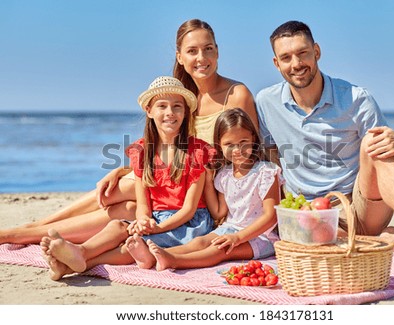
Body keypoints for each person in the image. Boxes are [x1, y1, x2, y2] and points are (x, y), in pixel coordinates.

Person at [0, 19, 257, 245]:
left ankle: (28, 232)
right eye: (192, 51)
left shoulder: (236, 94)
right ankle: (36, 229)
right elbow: (167, 149)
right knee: (128, 205)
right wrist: (123, 168)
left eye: (208, 49)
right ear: (180, 56)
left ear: (217, 51)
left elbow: (249, 150)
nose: (201, 57)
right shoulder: (178, 98)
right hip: (174, 177)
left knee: (123, 191)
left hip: (203, 186)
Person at [255, 20, 394, 280]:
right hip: (310, 213)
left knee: (377, 142)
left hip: (361, 206)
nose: (296, 64)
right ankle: (384, 239)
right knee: (308, 237)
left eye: (303, 53)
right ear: (276, 64)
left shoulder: (356, 98)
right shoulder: (266, 102)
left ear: (317, 52)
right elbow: (270, 162)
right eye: (286, 57)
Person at [40, 76, 215, 280]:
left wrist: (155, 227)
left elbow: (188, 210)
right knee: (118, 226)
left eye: (177, 106)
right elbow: (143, 204)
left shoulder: (196, 151)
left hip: (188, 223)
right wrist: (142, 220)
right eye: (162, 106)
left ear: (185, 113)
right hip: (156, 218)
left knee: (134, 244)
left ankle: (76, 262)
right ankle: (80, 252)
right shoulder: (142, 151)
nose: (170, 113)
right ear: (149, 111)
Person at [124, 108, 282, 271]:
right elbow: (219, 213)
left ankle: (173, 260)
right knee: (200, 242)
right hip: (230, 229)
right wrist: (207, 180)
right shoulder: (225, 175)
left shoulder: (266, 172)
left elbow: (271, 216)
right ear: (219, 145)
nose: (237, 150)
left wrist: (238, 237)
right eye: (229, 144)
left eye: (243, 143)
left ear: (253, 139)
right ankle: (154, 256)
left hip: (261, 237)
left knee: (219, 250)